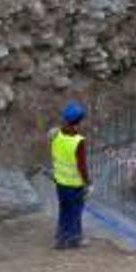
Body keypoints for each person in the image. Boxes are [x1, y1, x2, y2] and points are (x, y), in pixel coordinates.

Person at [51, 101, 90, 249]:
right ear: (78, 122)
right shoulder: (78, 141)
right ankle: (74, 238)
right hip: (74, 185)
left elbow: (55, 133)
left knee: (64, 209)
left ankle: (61, 238)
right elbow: (82, 166)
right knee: (75, 212)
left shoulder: (56, 135)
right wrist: (88, 183)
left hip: (60, 182)